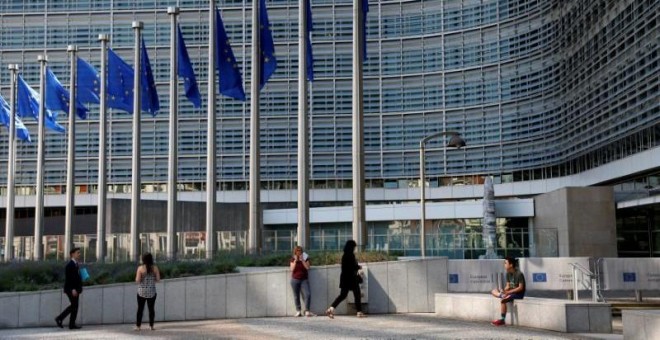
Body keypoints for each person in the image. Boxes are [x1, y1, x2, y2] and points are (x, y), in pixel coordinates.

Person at [325, 240, 366, 318]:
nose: (355, 248)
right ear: (352, 247)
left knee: (343, 295)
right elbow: (351, 267)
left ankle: (331, 309)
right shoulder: (350, 255)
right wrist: (358, 267)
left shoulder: (344, 255)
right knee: (357, 294)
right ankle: (359, 312)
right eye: (354, 247)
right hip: (352, 278)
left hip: (345, 278)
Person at [490, 256, 525, 326]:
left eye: (506, 263)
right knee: (493, 291)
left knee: (503, 300)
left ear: (511, 265)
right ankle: (502, 295)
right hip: (510, 293)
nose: (504, 265)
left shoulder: (519, 274)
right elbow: (508, 286)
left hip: (518, 294)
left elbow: (521, 288)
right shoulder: (508, 273)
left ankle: (502, 320)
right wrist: (504, 290)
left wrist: (509, 292)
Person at [55, 247, 83, 330]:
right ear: (72, 254)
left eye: (79, 253)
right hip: (71, 289)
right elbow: (69, 279)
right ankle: (59, 318)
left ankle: (71, 324)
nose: (79, 254)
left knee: (75, 306)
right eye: (78, 253)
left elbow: (76, 277)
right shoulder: (69, 265)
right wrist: (72, 289)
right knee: (74, 305)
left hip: (76, 289)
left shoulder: (76, 264)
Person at [135, 252, 161, 331]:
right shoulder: (155, 268)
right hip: (152, 292)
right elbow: (158, 280)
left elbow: (138, 280)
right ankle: (151, 326)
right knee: (151, 309)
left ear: (143, 259)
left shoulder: (140, 268)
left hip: (141, 292)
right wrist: (152, 280)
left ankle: (138, 326)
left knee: (140, 309)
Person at [290, 246, 315, 317]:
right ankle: (298, 311)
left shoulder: (305, 257)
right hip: (295, 279)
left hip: (304, 279)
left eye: (300, 251)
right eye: (297, 251)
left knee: (307, 294)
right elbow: (292, 269)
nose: (299, 252)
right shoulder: (293, 258)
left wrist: (302, 260)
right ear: (295, 252)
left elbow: (307, 267)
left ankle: (307, 311)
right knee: (296, 296)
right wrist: (295, 261)